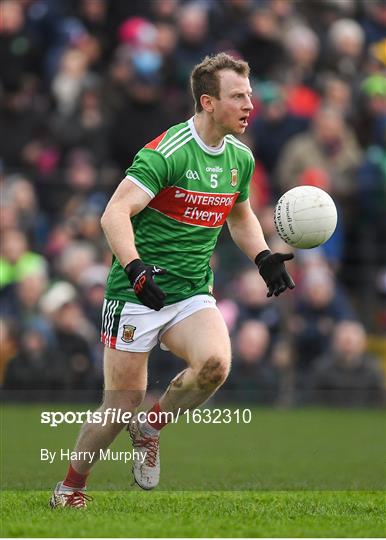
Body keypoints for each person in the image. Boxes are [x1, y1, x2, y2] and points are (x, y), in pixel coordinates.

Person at [50, 52, 295, 508]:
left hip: (190, 293)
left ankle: (150, 428)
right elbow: (114, 213)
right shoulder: (166, 151)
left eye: (250, 95)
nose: (250, 105)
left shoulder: (241, 158)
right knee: (119, 406)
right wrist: (135, 267)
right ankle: (70, 488)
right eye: (238, 96)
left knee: (215, 366)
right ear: (207, 101)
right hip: (135, 292)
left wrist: (263, 256)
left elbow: (239, 215)